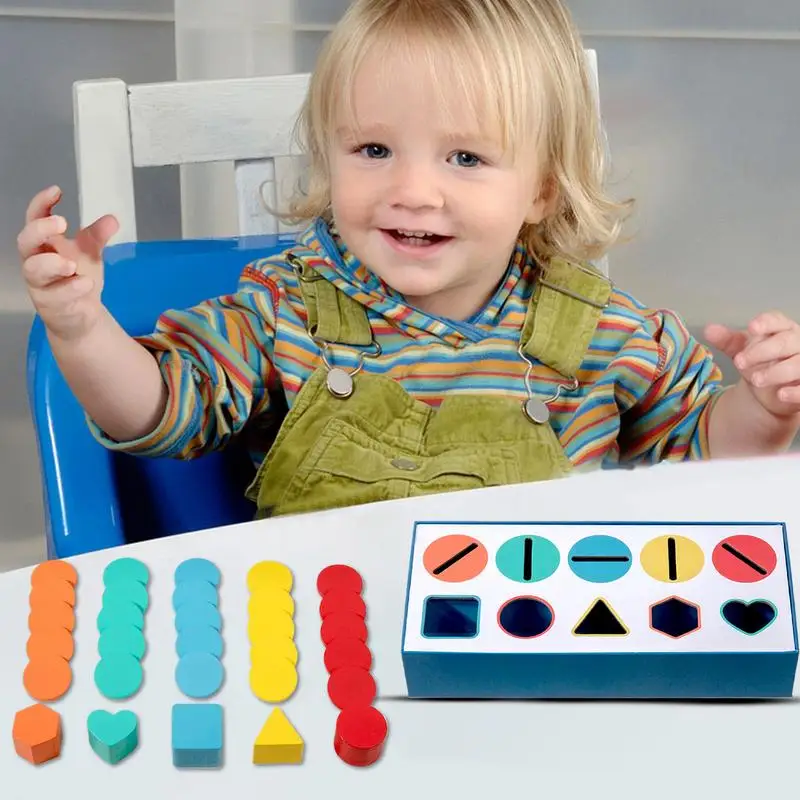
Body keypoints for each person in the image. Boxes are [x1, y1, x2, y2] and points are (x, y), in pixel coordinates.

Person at [16, 0, 800, 518]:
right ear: (329, 153)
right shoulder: (287, 305)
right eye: (374, 148)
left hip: (540, 659)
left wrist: (763, 414)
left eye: (464, 157)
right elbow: (161, 411)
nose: (412, 190)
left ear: (541, 189)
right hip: (329, 649)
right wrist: (81, 327)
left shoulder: (605, 332)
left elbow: (699, 466)